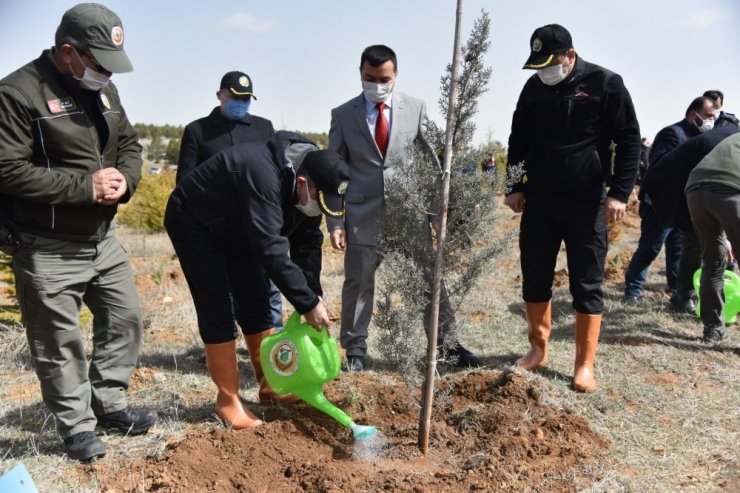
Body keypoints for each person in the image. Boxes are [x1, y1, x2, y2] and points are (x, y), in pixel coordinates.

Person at [0, 3, 157, 461]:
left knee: (125, 318)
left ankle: (108, 402)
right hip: (45, 243)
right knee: (59, 341)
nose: (109, 75)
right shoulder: (17, 93)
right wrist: (83, 187)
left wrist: (126, 179)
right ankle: (76, 427)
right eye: (100, 64)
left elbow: (129, 143)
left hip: (100, 239)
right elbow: (7, 170)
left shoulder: (104, 91)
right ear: (69, 53)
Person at [164, 131, 348, 429]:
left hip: (239, 226)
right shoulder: (263, 174)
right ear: (303, 182)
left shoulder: (311, 178)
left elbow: (307, 243)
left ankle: (272, 384)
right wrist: (306, 303)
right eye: (319, 200)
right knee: (218, 305)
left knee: (257, 300)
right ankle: (228, 402)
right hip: (196, 223)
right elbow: (270, 248)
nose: (318, 209)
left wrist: (312, 296)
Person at [327, 45, 480, 372]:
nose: (377, 85)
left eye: (384, 79)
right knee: (359, 283)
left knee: (429, 279)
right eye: (370, 78)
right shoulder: (342, 115)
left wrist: (438, 213)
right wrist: (335, 221)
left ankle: (446, 345)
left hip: (409, 214)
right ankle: (355, 351)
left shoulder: (415, 109)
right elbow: (334, 172)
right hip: (362, 214)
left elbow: (429, 164)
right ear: (360, 74)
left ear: (395, 76)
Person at [505, 24, 641, 392]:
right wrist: (513, 185)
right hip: (541, 200)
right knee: (535, 274)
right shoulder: (534, 89)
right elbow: (518, 139)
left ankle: (584, 365)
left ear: (570, 56)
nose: (544, 72)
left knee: (586, 280)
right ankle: (537, 348)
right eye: (539, 65)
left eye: (551, 63)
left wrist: (618, 193)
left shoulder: (606, 83)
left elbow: (629, 140)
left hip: (587, 201)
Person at [176, 71, 283, 332]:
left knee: (267, 284)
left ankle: (272, 339)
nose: (241, 102)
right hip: (216, 228)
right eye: (235, 97)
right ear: (220, 95)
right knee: (221, 289)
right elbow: (186, 183)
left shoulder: (263, 127)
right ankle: (224, 339)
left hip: (256, 223)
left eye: (246, 98)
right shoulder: (198, 131)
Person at [623, 97, 716, 307]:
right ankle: (633, 290)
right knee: (650, 247)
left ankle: (678, 291)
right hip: (661, 203)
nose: (712, 119)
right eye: (709, 115)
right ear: (694, 114)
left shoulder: (700, 136)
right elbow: (660, 167)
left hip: (682, 205)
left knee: (678, 250)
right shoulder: (673, 133)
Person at [686, 133, 740, 343]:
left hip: (696, 191)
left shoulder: (734, 139)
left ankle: (713, 329)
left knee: (713, 262)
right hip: (730, 190)